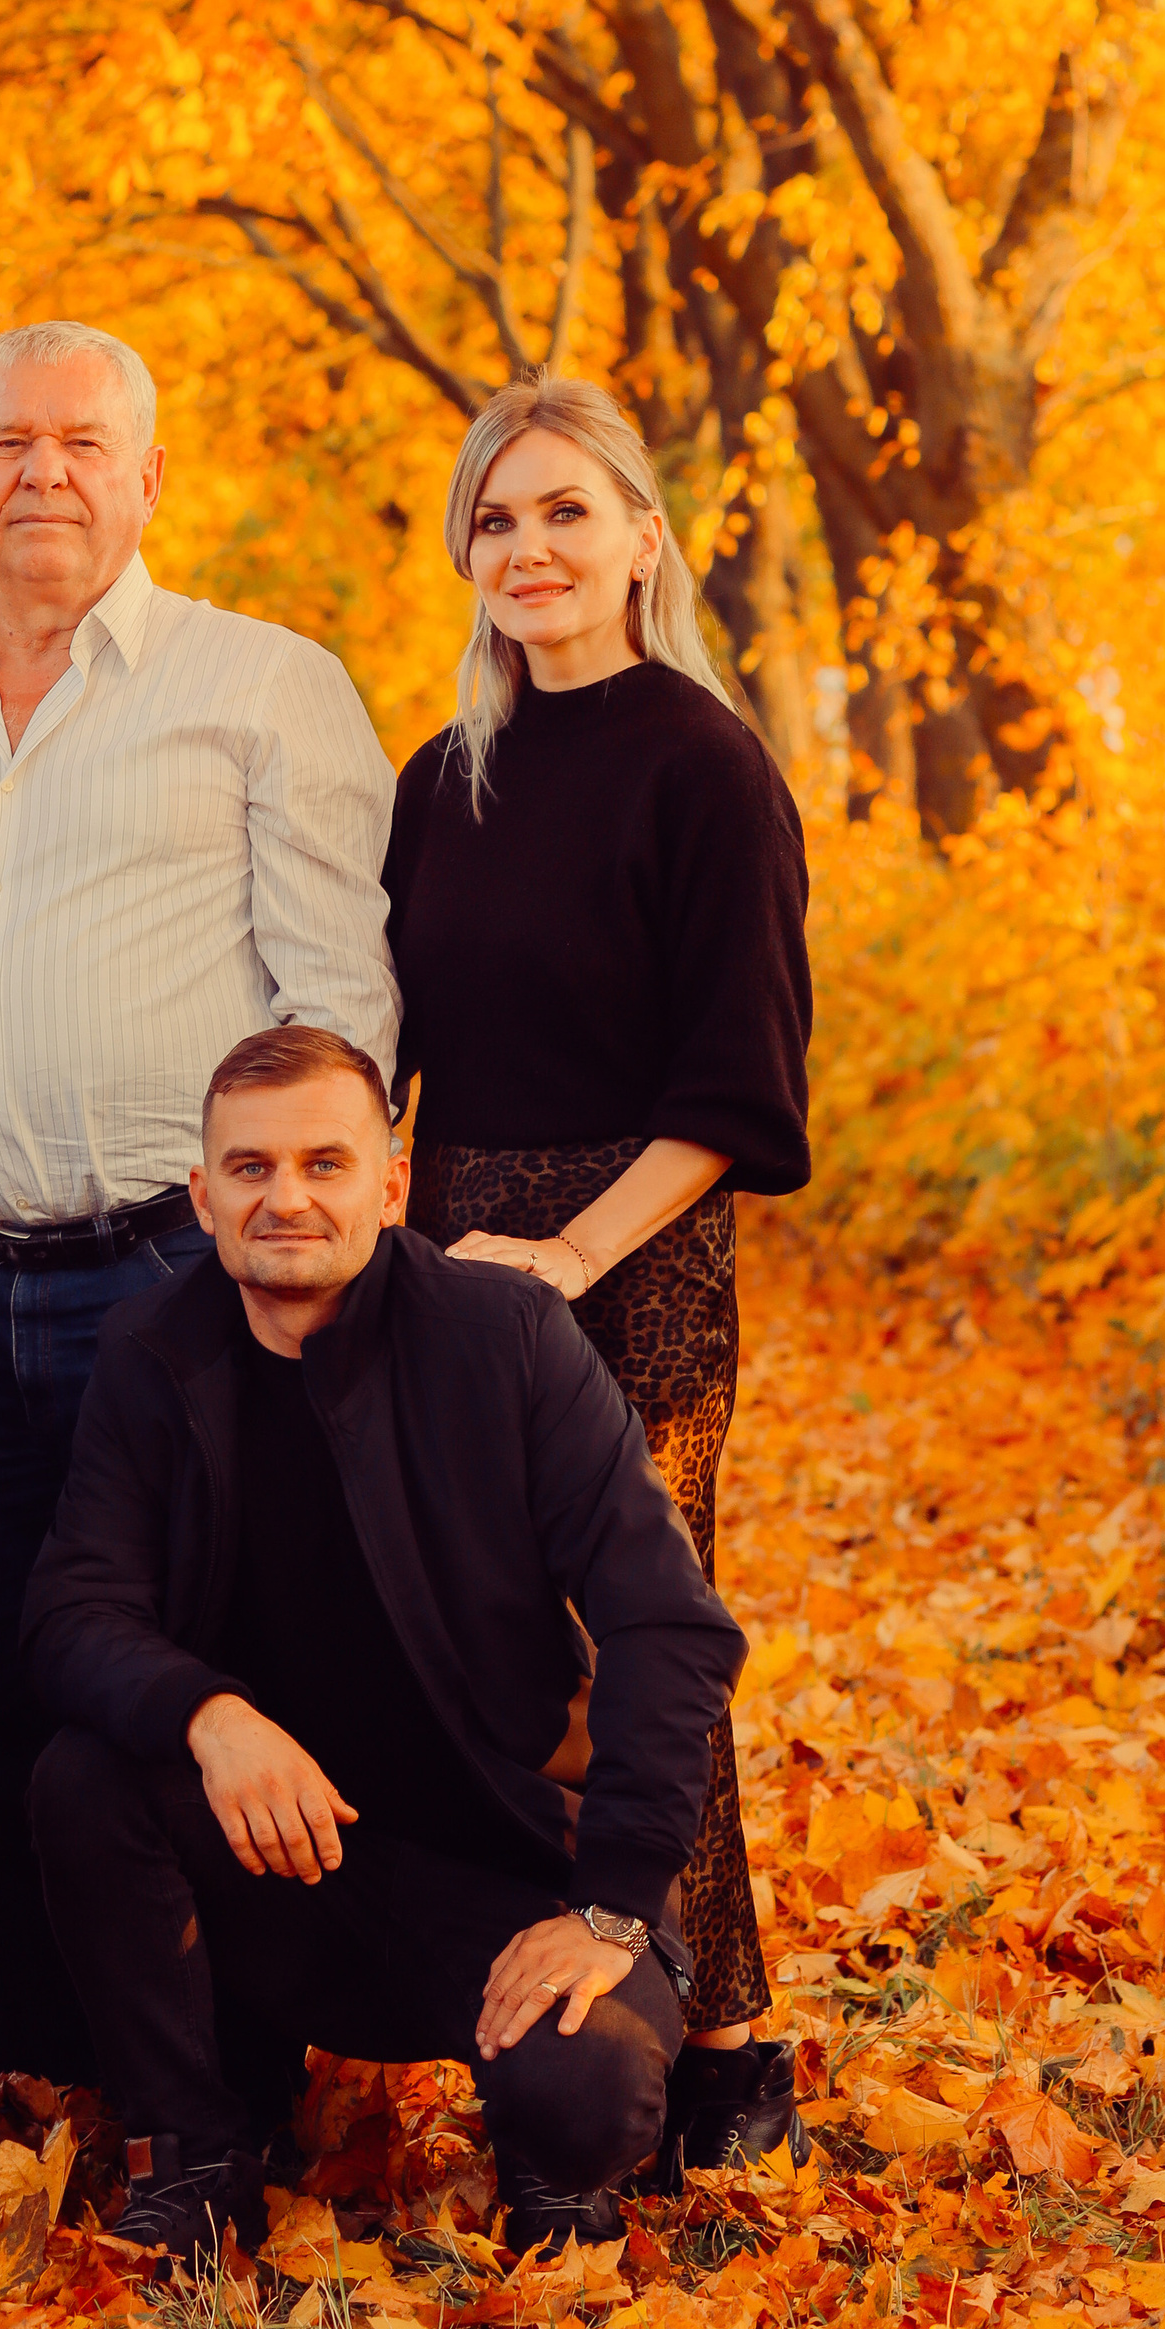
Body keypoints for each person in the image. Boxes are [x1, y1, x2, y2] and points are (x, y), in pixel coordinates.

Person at [0, 320, 401, 2085]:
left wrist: (307, 1255)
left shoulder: (263, 685)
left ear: (148, 477)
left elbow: (341, 1008)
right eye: (8, 443)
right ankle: (60, 2083)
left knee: (202, 1667)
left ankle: (228, 2082)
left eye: (83, 444)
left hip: (175, 1272)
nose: (44, 473)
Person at [23, 1025, 745, 2264]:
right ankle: (194, 2154)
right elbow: (72, 1612)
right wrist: (214, 1716)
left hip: (502, 1866)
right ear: (201, 1195)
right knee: (84, 1780)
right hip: (286, 1865)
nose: (285, 1196)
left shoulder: (504, 1339)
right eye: (247, 1169)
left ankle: (547, 2156)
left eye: (324, 1162)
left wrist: (613, 1905)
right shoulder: (155, 1351)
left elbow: (666, 1623)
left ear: (391, 1182)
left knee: (587, 2098)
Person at [383, 372, 811, 2178]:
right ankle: (557, 2021)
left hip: (632, 1258)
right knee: (484, 1647)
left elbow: (735, 1094)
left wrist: (568, 1251)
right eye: (498, 518)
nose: (531, 547)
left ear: (643, 537)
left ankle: (730, 2040)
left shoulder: (708, 767)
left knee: (648, 1647)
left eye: (568, 511)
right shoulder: (441, 779)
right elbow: (385, 1048)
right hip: (456, 1257)